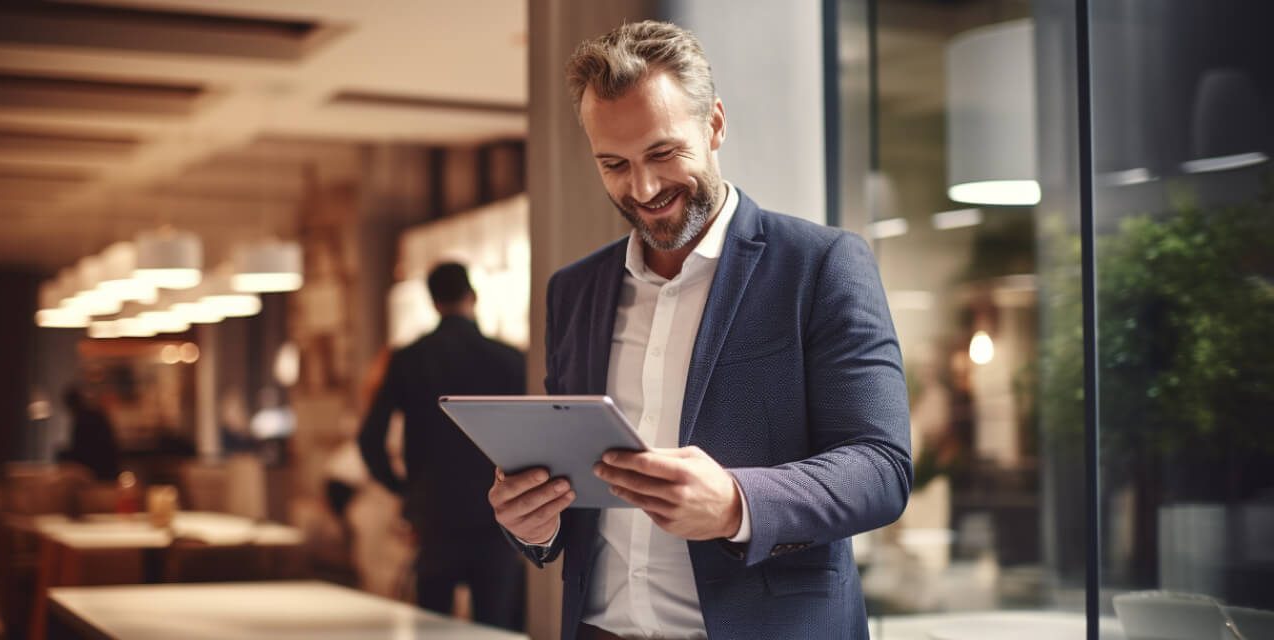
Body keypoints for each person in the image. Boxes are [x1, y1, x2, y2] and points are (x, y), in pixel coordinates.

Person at [487, 21, 912, 639]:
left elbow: (881, 468)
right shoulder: (573, 292)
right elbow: (574, 484)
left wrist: (738, 503)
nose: (644, 187)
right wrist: (534, 521)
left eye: (664, 153)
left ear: (714, 124)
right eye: (614, 164)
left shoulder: (821, 266)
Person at [358, 262, 527, 631]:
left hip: (433, 512)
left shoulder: (409, 358)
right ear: (473, 296)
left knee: (432, 625)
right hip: (498, 513)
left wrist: (403, 489)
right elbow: (534, 435)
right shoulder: (511, 358)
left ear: (433, 302)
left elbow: (370, 438)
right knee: (495, 626)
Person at [59, 385, 120, 481]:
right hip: (107, 468)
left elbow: (81, 450)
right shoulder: (94, 414)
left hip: (97, 471)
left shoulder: (83, 419)